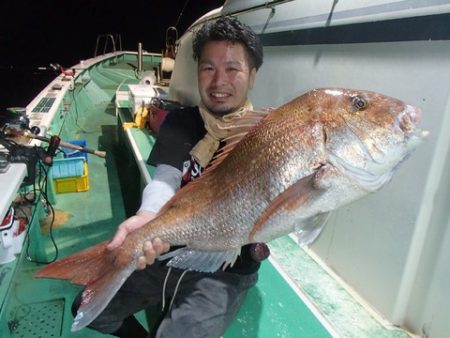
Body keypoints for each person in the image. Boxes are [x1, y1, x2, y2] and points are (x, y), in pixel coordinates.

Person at [72, 16, 269, 338]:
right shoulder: (182, 122)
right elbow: (166, 178)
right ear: (198, 73)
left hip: (226, 266)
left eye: (233, 69)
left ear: (253, 76)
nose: (219, 81)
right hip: (171, 248)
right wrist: (148, 216)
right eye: (208, 68)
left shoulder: (265, 135)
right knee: (86, 307)